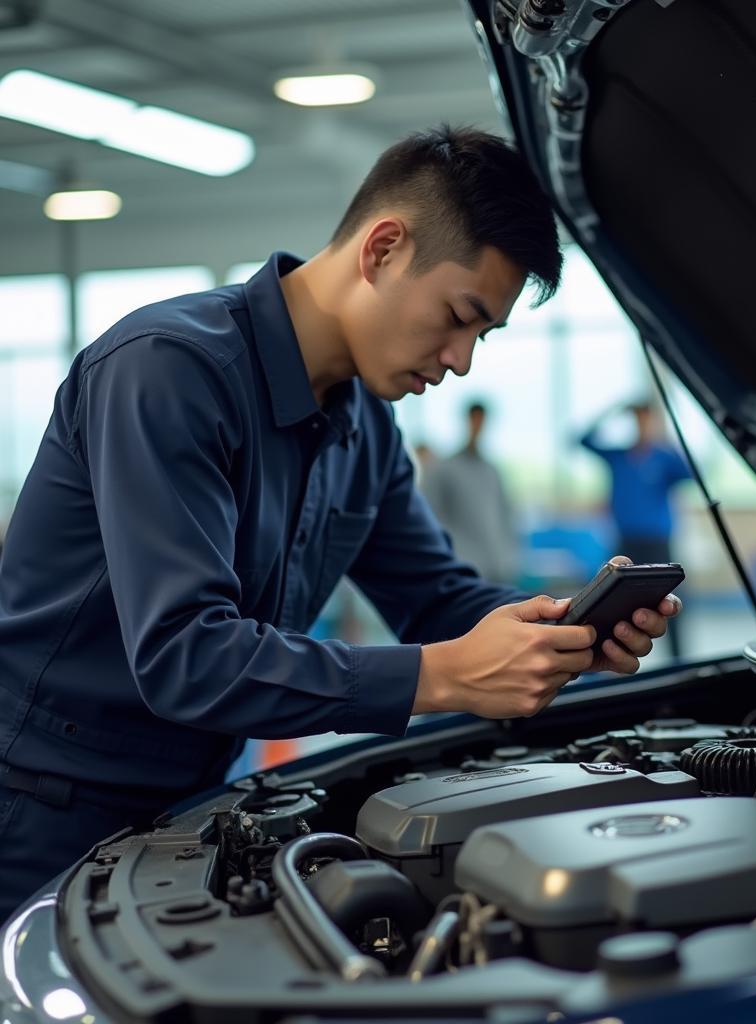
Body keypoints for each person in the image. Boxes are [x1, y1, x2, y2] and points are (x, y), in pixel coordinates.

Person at [0, 127, 680, 921]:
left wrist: (559, 634)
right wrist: (445, 676)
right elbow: (186, 655)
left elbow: (435, 599)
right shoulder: (167, 369)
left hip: (192, 804)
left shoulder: (366, 427)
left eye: (482, 335)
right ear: (383, 248)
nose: (461, 360)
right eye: (459, 316)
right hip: (40, 806)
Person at [580, 401, 691, 655]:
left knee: (671, 598)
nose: (641, 424)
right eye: (637, 419)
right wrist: (612, 412)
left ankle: (678, 657)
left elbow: (690, 473)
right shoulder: (618, 456)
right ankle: (606, 651)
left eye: (645, 419)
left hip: (657, 540)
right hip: (626, 540)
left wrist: (667, 438)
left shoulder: (663, 457)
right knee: (610, 596)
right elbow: (583, 439)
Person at [420, 401, 519, 583]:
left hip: (496, 567)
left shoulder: (491, 470)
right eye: (475, 420)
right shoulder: (445, 469)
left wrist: (507, 556)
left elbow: (505, 515)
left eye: (482, 421)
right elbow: (432, 518)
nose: (478, 426)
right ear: (468, 421)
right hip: (463, 566)